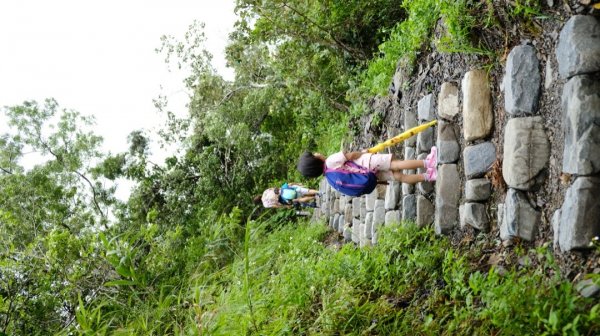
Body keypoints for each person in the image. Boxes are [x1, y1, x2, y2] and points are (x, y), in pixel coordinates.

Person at [296, 146, 437, 184]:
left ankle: (429, 176)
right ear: (316, 160)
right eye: (313, 155)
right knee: (397, 164)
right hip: (367, 162)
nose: (316, 153)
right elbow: (350, 156)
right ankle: (428, 162)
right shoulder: (330, 161)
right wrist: (363, 152)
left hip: (370, 175)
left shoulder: (329, 177)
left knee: (399, 177)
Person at [253, 183, 320, 209]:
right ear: (259, 196)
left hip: (283, 199)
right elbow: (274, 189)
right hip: (282, 190)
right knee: (301, 190)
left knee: (298, 200)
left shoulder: (265, 204)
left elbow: (275, 206)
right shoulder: (265, 192)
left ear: (259, 202)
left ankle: (314, 197)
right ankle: (316, 192)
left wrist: (285, 206)